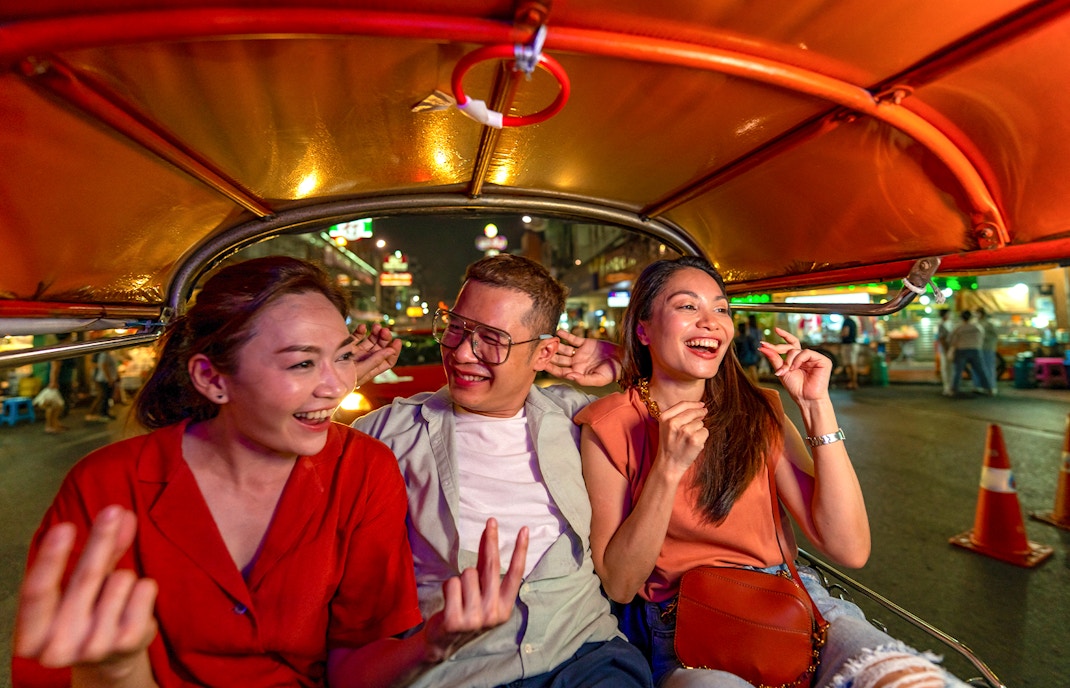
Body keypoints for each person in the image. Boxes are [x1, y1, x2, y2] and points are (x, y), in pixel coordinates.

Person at [13, 256, 526, 688]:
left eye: (343, 357)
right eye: (302, 364)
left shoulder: (363, 470)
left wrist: (431, 643)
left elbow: (352, 667)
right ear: (213, 379)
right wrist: (117, 671)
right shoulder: (107, 486)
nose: (335, 387)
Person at [576, 256, 969, 688]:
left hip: (790, 602)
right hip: (683, 626)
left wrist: (817, 407)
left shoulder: (757, 410)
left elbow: (849, 549)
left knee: (911, 679)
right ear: (644, 329)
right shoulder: (607, 425)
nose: (711, 322)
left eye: (721, 309)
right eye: (688, 307)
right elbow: (620, 583)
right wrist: (667, 470)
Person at [353, 253, 653, 688]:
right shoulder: (389, 432)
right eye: (455, 328)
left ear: (544, 352)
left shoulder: (579, 418)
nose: (460, 352)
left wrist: (627, 363)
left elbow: (703, 421)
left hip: (586, 655)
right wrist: (335, 382)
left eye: (491, 339)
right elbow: (283, 466)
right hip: (462, 668)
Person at [948, 310, 991, 396]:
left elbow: (952, 340)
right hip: (975, 350)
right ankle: (988, 389)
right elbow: (982, 338)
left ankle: (954, 389)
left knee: (958, 371)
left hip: (961, 350)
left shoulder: (959, 328)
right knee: (980, 370)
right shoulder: (977, 327)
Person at [85, 347, 119, 422]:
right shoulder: (104, 355)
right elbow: (103, 366)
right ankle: (102, 413)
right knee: (104, 396)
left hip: (107, 378)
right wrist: (109, 378)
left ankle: (104, 413)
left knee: (106, 396)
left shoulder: (108, 354)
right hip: (104, 379)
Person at [976, 308, 999, 395]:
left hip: (988, 348)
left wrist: (984, 338)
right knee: (978, 368)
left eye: (977, 313)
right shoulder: (976, 323)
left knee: (989, 368)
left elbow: (995, 336)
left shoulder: (989, 324)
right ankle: (979, 386)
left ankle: (991, 387)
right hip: (978, 348)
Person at [935, 309, 954, 396]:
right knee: (946, 368)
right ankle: (947, 388)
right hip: (945, 350)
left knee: (950, 368)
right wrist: (947, 350)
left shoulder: (949, 324)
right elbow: (942, 339)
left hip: (950, 349)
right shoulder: (941, 325)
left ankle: (950, 386)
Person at [839, 313, 860, 389]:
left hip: (848, 345)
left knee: (850, 364)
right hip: (852, 344)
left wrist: (840, 334)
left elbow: (845, 333)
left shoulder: (847, 321)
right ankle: (853, 382)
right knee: (851, 364)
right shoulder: (853, 321)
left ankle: (853, 383)